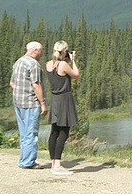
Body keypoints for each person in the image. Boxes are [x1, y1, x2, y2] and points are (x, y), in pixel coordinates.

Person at [45, 40, 81, 175]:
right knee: (64, 131)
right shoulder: (64, 65)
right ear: (64, 51)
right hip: (65, 98)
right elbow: (76, 75)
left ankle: (53, 163)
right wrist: (74, 61)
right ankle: (58, 165)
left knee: (54, 131)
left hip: (54, 99)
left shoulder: (48, 64)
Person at [10, 41, 46, 169]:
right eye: (40, 50)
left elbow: (12, 83)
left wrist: (20, 91)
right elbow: (36, 85)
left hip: (18, 102)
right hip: (30, 103)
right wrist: (42, 103)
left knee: (24, 133)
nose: (41, 53)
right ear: (34, 50)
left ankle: (24, 160)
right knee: (31, 133)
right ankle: (28, 162)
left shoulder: (18, 62)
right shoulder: (34, 64)